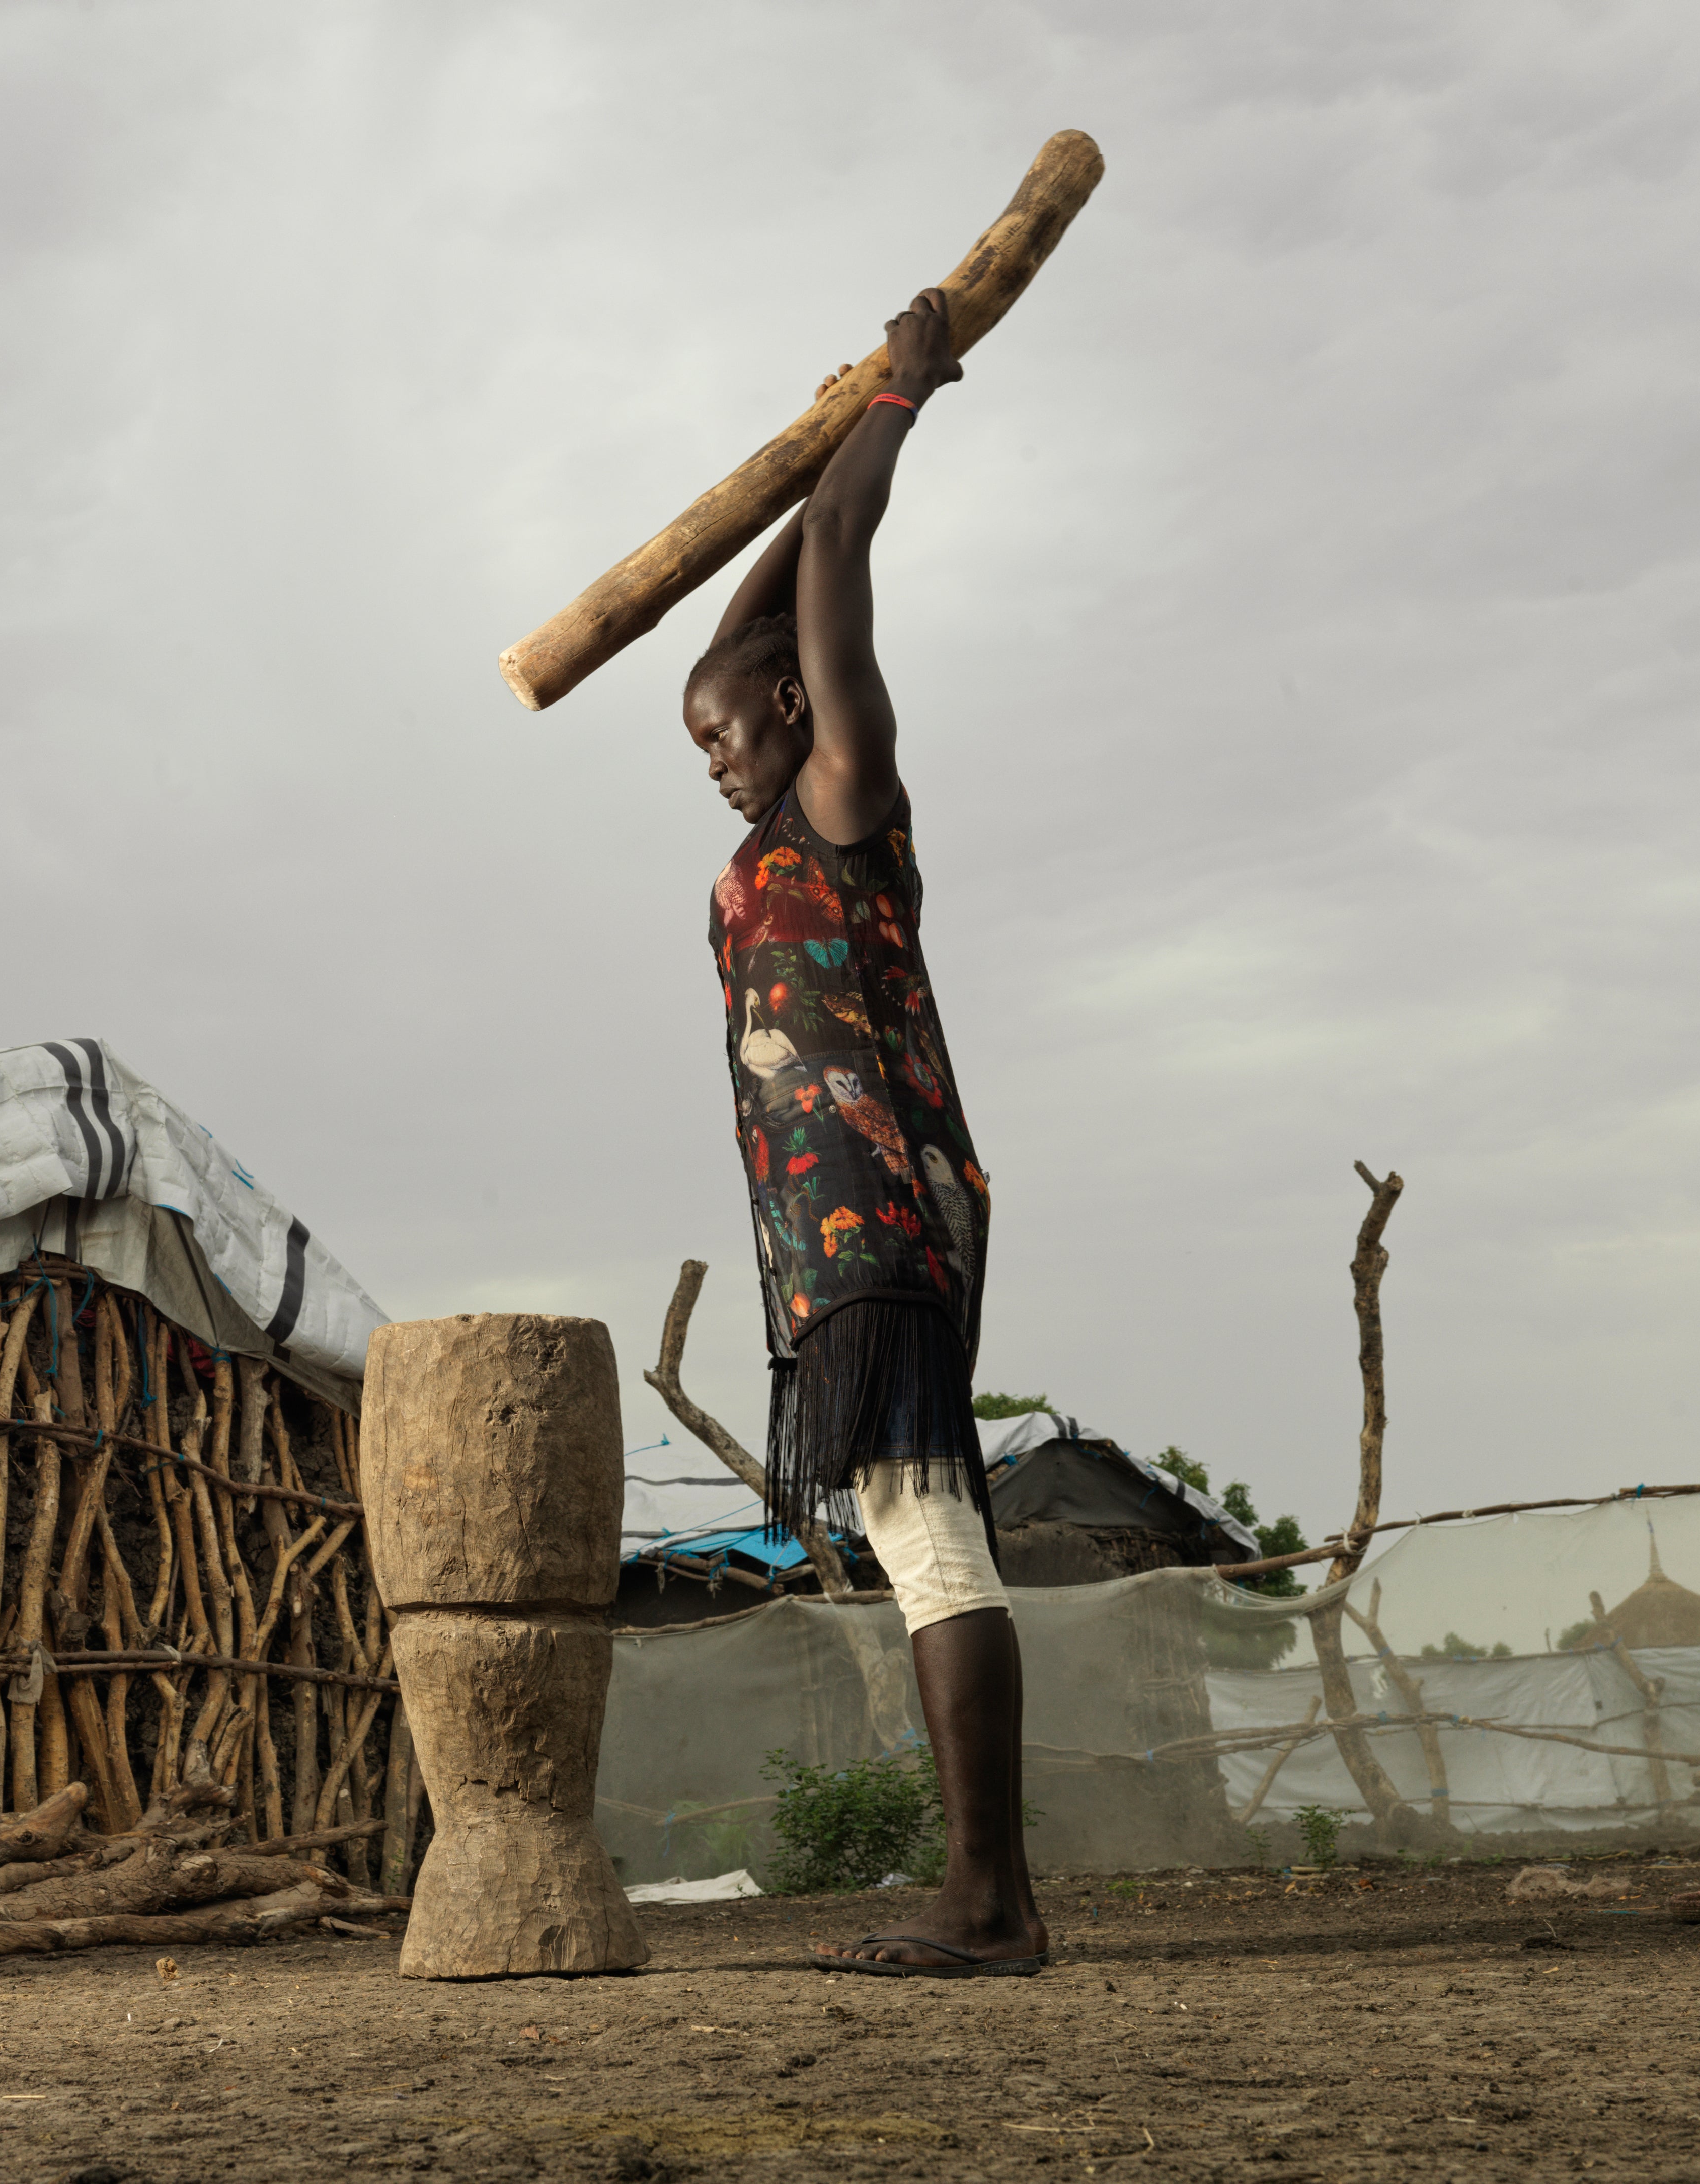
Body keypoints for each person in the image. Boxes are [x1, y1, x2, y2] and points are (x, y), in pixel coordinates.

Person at [685, 286, 1046, 1977]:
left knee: (927, 1532)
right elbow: (765, 596)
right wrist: (817, 444)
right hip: (837, 1237)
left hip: (882, 1224)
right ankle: (993, 1899)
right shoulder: (770, 819)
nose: (706, 751)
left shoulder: (845, 793)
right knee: (922, 1528)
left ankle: (993, 1905)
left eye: (721, 725)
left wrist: (890, 408)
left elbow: (837, 557)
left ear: (792, 706)